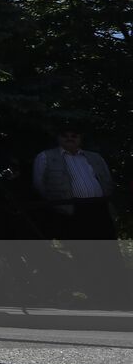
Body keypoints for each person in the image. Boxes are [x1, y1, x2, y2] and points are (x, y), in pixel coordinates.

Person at [33, 127, 122, 305]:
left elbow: (106, 179)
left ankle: (119, 294)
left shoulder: (94, 157)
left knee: (110, 252)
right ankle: (94, 295)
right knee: (83, 253)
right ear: (59, 138)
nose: (70, 138)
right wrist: (59, 204)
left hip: (99, 208)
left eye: (74, 135)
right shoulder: (46, 157)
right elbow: (40, 184)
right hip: (71, 211)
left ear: (80, 138)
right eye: (65, 135)